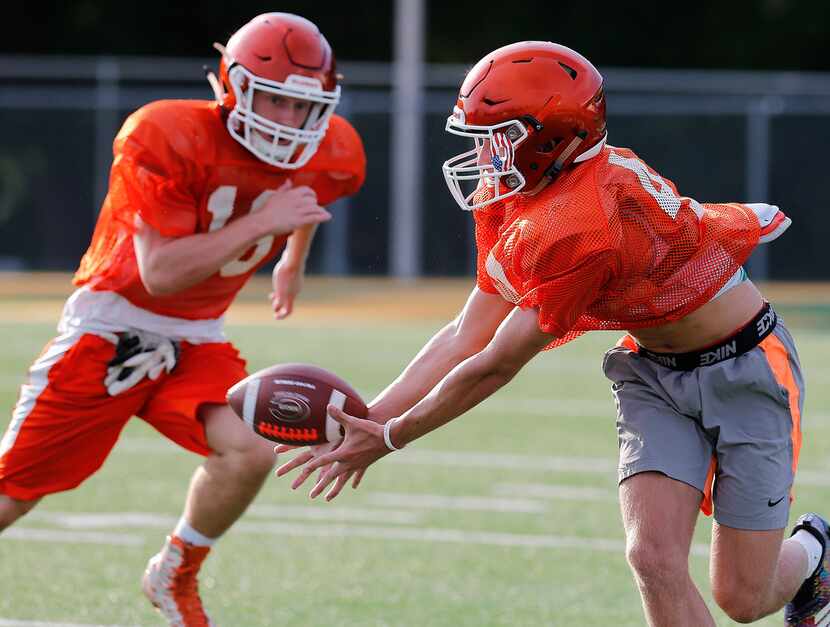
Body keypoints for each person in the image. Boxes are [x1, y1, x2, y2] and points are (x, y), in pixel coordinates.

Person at [278, 41, 828, 626]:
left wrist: (390, 437)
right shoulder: (525, 192)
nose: (486, 155)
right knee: (651, 557)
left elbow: (495, 362)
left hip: (745, 365)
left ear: (551, 135)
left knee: (744, 599)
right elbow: (467, 332)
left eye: (499, 136)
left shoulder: (584, 219)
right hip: (652, 371)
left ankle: (816, 555)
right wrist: (369, 416)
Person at [0, 13, 365, 626]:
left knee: (250, 451)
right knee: (14, 494)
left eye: (299, 106)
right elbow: (161, 273)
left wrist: (292, 260)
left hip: (196, 338)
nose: (283, 120)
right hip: (111, 326)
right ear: (232, 88)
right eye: (270, 100)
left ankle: (174, 573)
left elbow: (308, 192)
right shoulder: (168, 134)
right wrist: (262, 225)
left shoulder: (330, 148)